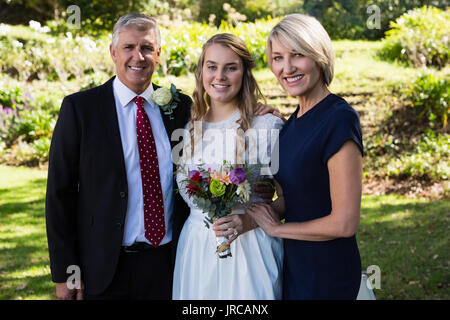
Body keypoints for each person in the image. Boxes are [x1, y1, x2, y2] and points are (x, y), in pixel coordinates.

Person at [45, 13, 276, 300]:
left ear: (158, 53)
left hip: (168, 262)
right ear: (113, 52)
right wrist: (66, 272)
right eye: (128, 47)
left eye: (146, 48)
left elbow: (222, 123)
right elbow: (59, 194)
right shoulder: (81, 109)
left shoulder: (181, 109)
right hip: (103, 266)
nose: (137, 57)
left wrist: (258, 113)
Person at [247, 14, 365, 299]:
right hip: (295, 265)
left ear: (319, 56)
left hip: (327, 271)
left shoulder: (338, 119)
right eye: (277, 58)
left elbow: (345, 222)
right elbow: (296, 196)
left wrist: (277, 229)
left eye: (297, 55)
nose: (286, 68)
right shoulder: (290, 123)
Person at [172, 33, 284, 299]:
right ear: (201, 71)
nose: (219, 76)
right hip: (197, 250)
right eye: (212, 66)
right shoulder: (189, 127)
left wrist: (249, 220)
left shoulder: (267, 126)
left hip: (251, 251)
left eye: (230, 68)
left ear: (244, 73)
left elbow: (292, 198)